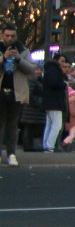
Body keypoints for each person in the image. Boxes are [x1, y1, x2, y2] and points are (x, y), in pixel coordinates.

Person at [1, 24, 39, 166]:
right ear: (2, 35)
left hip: (16, 92)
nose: (10, 38)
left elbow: (31, 69)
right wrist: (4, 58)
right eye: (7, 35)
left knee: (12, 124)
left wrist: (18, 59)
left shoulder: (23, 51)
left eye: (12, 36)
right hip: (1, 90)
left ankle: (11, 154)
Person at [40, 53, 66, 152]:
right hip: (55, 101)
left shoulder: (49, 69)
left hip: (50, 101)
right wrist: (63, 84)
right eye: (62, 61)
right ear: (57, 60)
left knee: (49, 124)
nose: (63, 63)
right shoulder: (54, 70)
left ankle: (46, 144)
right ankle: (49, 145)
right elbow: (54, 83)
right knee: (57, 125)